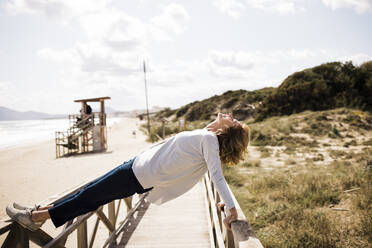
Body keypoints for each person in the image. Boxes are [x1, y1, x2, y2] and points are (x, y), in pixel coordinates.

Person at [6, 113, 250, 231]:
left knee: (89, 197)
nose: (230, 115)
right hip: (137, 166)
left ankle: (35, 219)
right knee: (88, 191)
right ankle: (37, 212)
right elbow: (206, 133)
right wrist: (220, 123)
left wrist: (232, 210)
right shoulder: (207, 135)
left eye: (233, 120)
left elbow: (217, 177)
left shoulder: (209, 141)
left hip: (138, 175)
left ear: (229, 132)